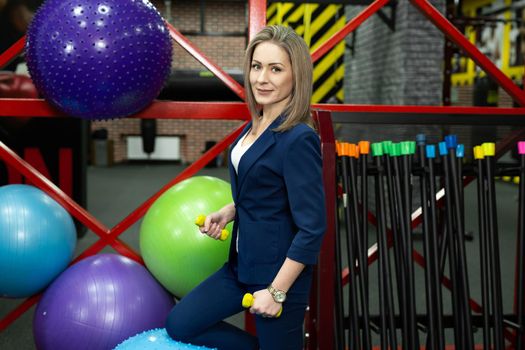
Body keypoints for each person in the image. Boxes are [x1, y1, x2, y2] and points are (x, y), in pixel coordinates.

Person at [165, 25, 326, 350]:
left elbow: (313, 227)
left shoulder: (299, 138)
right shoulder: (254, 126)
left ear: (297, 76)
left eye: (276, 69)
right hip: (241, 265)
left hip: (276, 275)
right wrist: (230, 211)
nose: (261, 78)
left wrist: (277, 292)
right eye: (256, 66)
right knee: (181, 324)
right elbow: (268, 191)